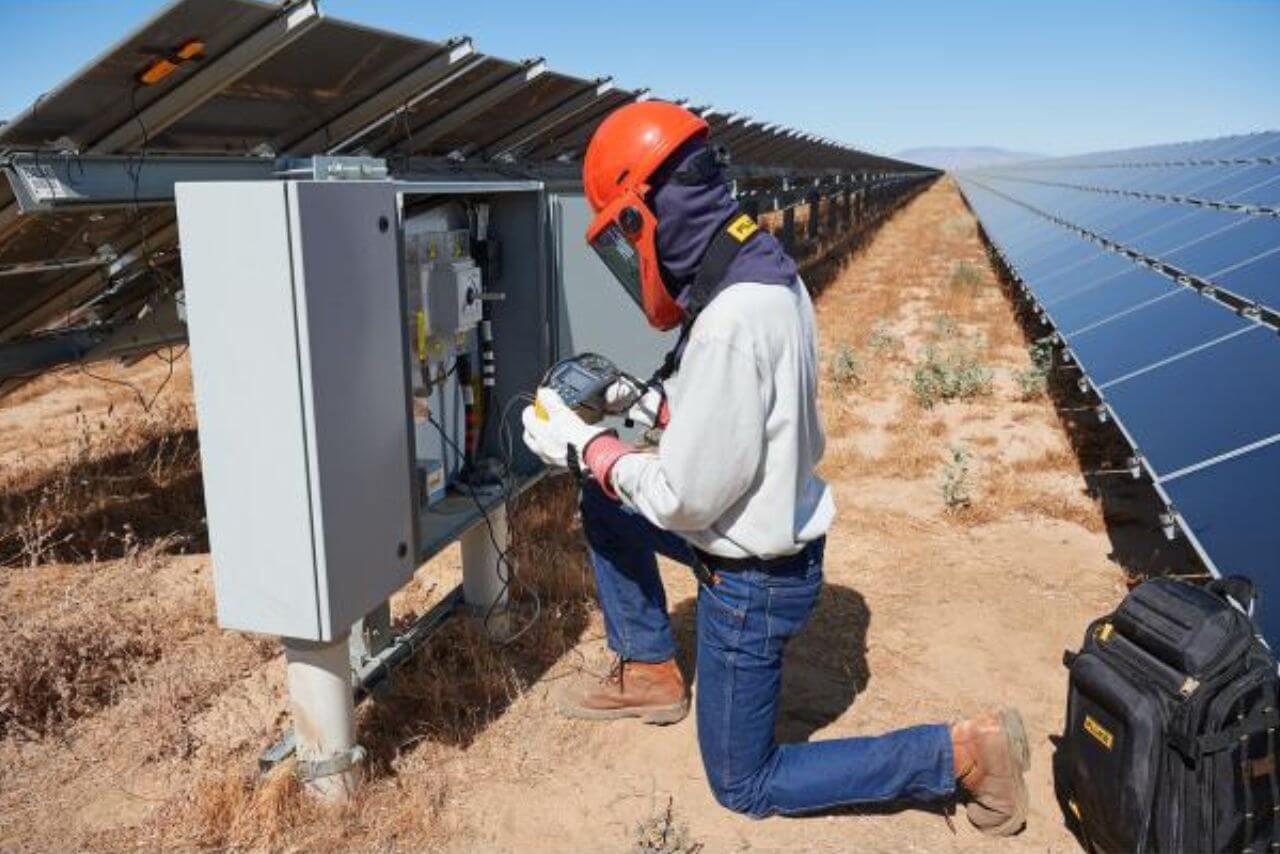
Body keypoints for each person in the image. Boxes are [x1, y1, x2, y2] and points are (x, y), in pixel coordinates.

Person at [521, 101, 1030, 833]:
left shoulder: (731, 320)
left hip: (751, 583)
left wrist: (590, 447)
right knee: (607, 505)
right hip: (765, 538)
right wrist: (642, 403)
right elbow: (747, 413)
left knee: (745, 782)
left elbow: (685, 497)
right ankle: (650, 672)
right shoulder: (763, 274)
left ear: (645, 216)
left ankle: (958, 755)